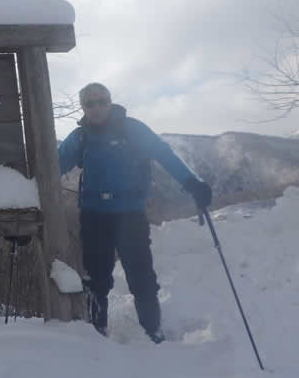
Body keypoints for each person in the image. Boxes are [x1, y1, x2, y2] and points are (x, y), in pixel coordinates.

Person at [58, 83, 211, 343]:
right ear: (83, 107)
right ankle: (97, 336)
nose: (97, 108)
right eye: (90, 103)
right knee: (97, 279)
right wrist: (25, 193)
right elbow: (53, 165)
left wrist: (192, 183)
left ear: (110, 102)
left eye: (102, 101)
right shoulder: (80, 137)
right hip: (94, 216)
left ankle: (153, 332)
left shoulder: (132, 129)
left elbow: (164, 154)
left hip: (130, 215)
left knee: (141, 276)